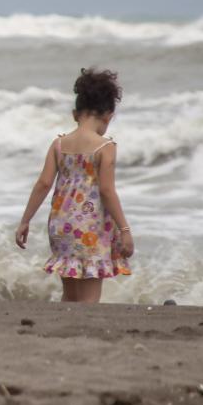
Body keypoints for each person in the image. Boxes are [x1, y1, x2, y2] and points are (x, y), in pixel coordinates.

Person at [15, 68, 134, 303]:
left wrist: (25, 220)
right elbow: (107, 191)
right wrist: (124, 230)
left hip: (61, 226)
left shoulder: (58, 144)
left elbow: (43, 183)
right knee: (90, 297)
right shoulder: (105, 147)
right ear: (108, 115)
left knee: (69, 295)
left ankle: (64, 329)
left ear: (74, 114)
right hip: (91, 227)